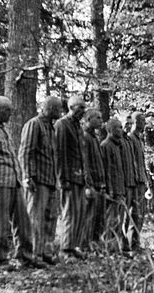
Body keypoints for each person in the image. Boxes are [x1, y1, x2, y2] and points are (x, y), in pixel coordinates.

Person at [0, 96, 41, 270]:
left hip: (14, 182)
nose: (11, 114)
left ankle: (25, 257)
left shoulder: (3, 129)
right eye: (8, 111)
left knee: (23, 222)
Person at [19, 95, 62, 265]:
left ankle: (46, 252)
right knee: (35, 219)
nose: (60, 112)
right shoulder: (34, 125)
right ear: (49, 109)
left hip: (50, 180)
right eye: (58, 109)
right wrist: (28, 176)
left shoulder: (51, 128)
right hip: (37, 182)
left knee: (50, 218)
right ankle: (34, 255)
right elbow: (26, 152)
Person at [54, 95, 87, 262]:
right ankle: (65, 249)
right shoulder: (62, 125)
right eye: (80, 108)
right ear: (71, 107)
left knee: (79, 213)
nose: (83, 111)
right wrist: (62, 179)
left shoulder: (77, 127)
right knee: (69, 214)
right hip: (68, 178)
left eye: (84, 108)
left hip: (80, 178)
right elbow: (59, 153)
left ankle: (74, 246)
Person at [100, 119, 128, 252]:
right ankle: (108, 248)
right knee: (110, 221)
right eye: (118, 128)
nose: (121, 130)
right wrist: (109, 190)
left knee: (119, 220)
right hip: (112, 191)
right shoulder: (105, 146)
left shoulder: (118, 146)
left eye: (121, 127)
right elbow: (106, 170)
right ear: (110, 130)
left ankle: (116, 248)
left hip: (120, 189)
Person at [81, 109, 106, 249]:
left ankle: (95, 245)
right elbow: (85, 163)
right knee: (89, 219)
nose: (101, 121)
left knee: (99, 218)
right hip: (92, 186)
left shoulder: (94, 138)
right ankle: (85, 246)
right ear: (89, 119)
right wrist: (87, 185)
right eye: (98, 118)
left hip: (99, 185)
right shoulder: (85, 137)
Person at [127, 111, 151, 251]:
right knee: (134, 213)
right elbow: (132, 161)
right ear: (136, 122)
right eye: (142, 121)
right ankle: (131, 244)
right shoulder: (130, 138)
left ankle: (136, 243)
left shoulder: (139, 139)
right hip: (135, 181)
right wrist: (136, 178)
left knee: (141, 213)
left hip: (141, 180)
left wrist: (146, 180)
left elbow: (141, 162)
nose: (145, 124)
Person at [120, 114, 138, 252]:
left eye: (130, 124)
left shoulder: (129, 140)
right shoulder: (117, 140)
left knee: (132, 214)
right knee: (121, 216)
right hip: (121, 183)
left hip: (132, 182)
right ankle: (121, 244)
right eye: (126, 123)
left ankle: (131, 243)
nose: (128, 126)